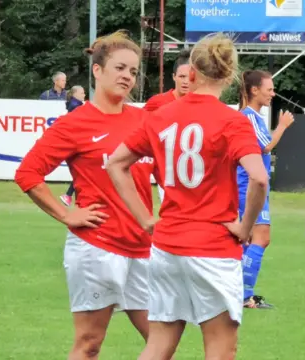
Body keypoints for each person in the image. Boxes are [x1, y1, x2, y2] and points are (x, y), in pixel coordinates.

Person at [106, 33, 269, 360]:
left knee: (158, 344)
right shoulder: (232, 121)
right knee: (221, 347)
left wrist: (146, 219)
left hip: (166, 246)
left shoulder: (160, 116)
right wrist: (244, 226)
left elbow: (115, 164)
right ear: (229, 75)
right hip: (212, 247)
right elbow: (260, 178)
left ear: (191, 73)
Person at [14, 30, 154, 360]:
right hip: (98, 247)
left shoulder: (144, 120)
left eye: (133, 72)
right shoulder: (75, 124)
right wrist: (66, 214)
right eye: (120, 68)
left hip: (144, 247)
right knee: (89, 345)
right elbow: (27, 174)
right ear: (97, 71)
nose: (127, 77)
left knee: (162, 341)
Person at [237, 70, 294, 309]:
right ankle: (243, 295)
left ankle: (238, 293)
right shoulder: (249, 116)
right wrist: (282, 126)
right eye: (269, 89)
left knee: (248, 242)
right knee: (261, 238)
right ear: (254, 90)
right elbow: (266, 146)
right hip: (249, 187)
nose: (273, 93)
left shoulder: (252, 117)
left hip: (251, 186)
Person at [142, 49, 191, 202]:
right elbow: (140, 130)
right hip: (165, 174)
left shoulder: (198, 104)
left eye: (189, 77)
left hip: (191, 172)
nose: (186, 81)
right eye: (182, 76)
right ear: (174, 77)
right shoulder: (157, 103)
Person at [59, 85, 87, 207]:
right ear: (75, 94)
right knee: (83, 174)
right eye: (82, 93)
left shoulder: (73, 106)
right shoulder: (77, 107)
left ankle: (70, 196)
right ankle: (70, 196)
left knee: (81, 175)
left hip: (75, 144)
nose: (84, 95)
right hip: (79, 144)